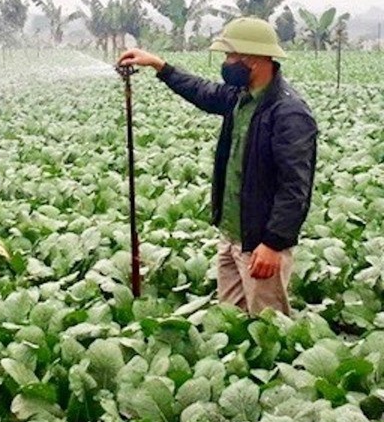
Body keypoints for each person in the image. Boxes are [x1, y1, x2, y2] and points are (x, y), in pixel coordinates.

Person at [118, 17, 318, 315]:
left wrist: (274, 243)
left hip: (260, 243)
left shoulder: (289, 113)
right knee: (230, 320)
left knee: (269, 330)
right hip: (232, 236)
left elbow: (295, 187)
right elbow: (203, 92)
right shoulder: (240, 97)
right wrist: (160, 66)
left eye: (230, 56)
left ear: (254, 59)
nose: (226, 63)